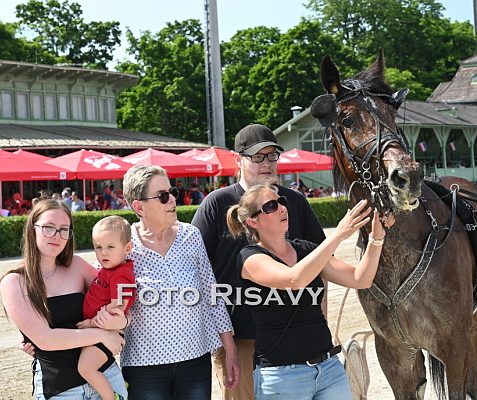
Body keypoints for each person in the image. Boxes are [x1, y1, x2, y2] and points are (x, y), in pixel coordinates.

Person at [191, 123, 325, 400]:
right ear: (237, 159)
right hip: (239, 337)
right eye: (257, 156)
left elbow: (320, 264)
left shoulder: (295, 202)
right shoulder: (216, 203)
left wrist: (321, 319)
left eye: (272, 155)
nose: (266, 163)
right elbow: (195, 269)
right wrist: (219, 337)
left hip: (296, 334)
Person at [227, 183, 395, 399]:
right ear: (253, 221)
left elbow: (360, 279)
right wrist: (337, 235)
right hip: (282, 376)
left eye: (281, 202)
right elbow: (294, 279)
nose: (282, 208)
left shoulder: (306, 249)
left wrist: (376, 238)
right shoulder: (250, 258)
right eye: (271, 206)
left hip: (329, 369)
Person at [121, 165, 239, 399]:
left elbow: (212, 294)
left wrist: (230, 349)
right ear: (139, 207)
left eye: (172, 192)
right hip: (143, 365)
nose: (173, 199)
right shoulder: (124, 244)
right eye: (163, 196)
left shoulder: (191, 235)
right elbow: (102, 291)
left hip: (195, 361)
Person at [0, 195, 129, 400]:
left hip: (107, 378)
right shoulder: (14, 282)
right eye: (48, 227)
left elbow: (120, 300)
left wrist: (123, 321)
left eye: (64, 229)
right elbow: (46, 340)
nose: (57, 236)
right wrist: (102, 335)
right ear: (32, 229)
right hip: (61, 390)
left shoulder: (78, 266)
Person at [77, 216, 136, 400]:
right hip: (99, 332)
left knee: (86, 368)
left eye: (110, 247)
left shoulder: (122, 275)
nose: (104, 253)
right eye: (98, 247)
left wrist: (90, 323)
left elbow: (117, 310)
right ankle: (116, 384)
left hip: (106, 332)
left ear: (127, 248)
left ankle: (112, 397)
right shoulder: (109, 270)